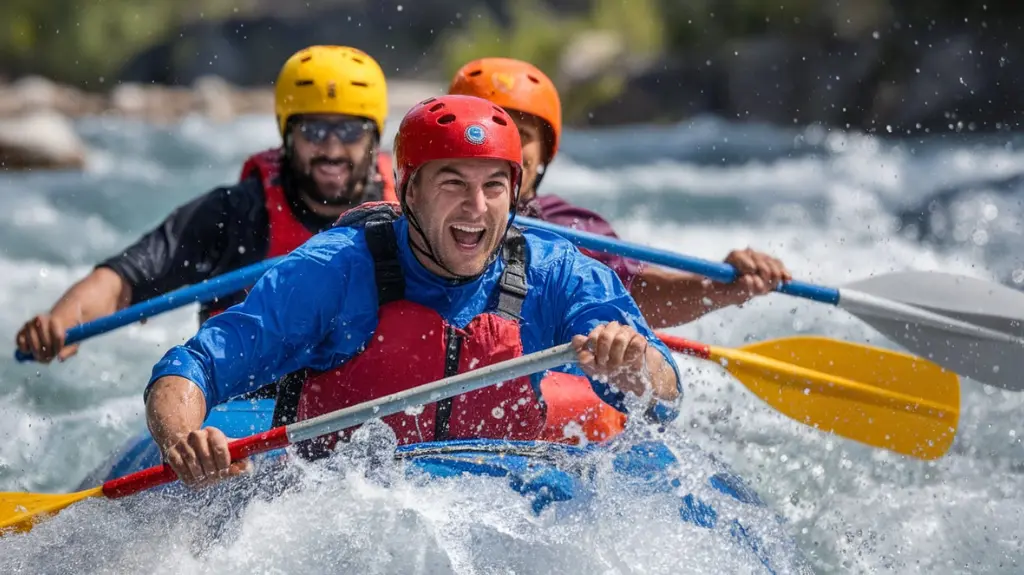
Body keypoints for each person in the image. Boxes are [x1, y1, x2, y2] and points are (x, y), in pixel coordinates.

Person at [144, 95, 682, 487]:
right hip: (349, 507)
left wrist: (632, 367)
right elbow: (190, 368)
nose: (477, 207)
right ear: (407, 189)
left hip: (508, 501)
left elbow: (665, 392)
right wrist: (182, 439)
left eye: (494, 186)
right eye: (453, 184)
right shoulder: (333, 272)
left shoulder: (554, 269)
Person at [15, 45, 395, 363]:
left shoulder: (406, 212)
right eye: (313, 129)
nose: (330, 148)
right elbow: (122, 280)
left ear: (373, 136)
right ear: (288, 134)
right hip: (251, 399)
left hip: (368, 397)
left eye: (348, 131)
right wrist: (62, 322)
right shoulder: (236, 213)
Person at [448, 57, 793, 329]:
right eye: (486, 130)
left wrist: (721, 285)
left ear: (544, 155)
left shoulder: (569, 226)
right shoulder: (419, 215)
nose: (500, 148)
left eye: (519, 134)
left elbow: (632, 292)